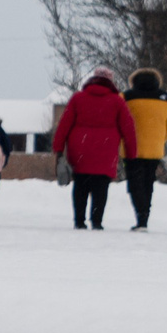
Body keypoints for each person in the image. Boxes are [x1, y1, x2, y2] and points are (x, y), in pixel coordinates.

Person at [51, 66, 135, 230]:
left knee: (80, 185)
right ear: (110, 82)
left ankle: (79, 220)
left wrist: (58, 148)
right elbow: (128, 129)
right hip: (106, 151)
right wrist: (131, 154)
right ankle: (96, 221)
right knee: (100, 187)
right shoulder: (117, 101)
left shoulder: (78, 98)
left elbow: (64, 125)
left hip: (80, 149)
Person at [122, 68, 167, 230]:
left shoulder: (126, 97)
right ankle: (144, 217)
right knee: (148, 182)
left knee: (135, 183)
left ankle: (140, 216)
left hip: (131, 148)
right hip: (155, 149)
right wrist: (161, 138)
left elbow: (117, 118)